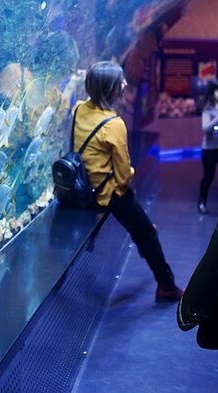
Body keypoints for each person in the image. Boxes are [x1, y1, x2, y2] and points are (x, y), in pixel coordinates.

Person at [73, 61, 183, 302]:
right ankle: (166, 285)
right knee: (149, 233)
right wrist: (132, 171)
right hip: (108, 194)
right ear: (109, 89)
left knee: (141, 230)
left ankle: (145, 244)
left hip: (82, 187)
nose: (125, 84)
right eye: (120, 82)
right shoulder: (114, 125)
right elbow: (123, 177)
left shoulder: (79, 110)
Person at [197, 78, 218, 214]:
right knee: (208, 177)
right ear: (213, 93)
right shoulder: (208, 110)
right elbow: (205, 129)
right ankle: (201, 202)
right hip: (209, 150)